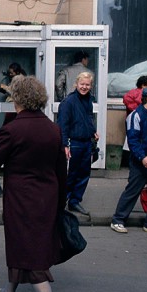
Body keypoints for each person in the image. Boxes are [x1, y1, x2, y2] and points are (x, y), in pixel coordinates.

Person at [0, 76, 67, 292]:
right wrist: (60, 202)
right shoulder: (53, 129)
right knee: (24, 245)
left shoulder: (13, 129)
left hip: (21, 201)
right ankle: (9, 290)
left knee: (30, 252)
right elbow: (62, 171)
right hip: (47, 198)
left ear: (17, 99)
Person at [111, 87, 147, 235]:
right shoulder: (136, 115)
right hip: (140, 161)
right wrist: (142, 157)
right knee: (132, 192)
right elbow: (133, 140)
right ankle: (118, 220)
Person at [58, 71, 99, 216]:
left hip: (86, 142)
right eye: (82, 84)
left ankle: (75, 201)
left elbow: (88, 118)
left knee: (84, 174)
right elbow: (63, 125)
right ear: (76, 84)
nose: (84, 87)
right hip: (74, 143)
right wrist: (65, 145)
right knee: (71, 175)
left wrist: (93, 131)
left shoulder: (89, 100)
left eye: (87, 85)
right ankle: (61, 203)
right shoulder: (68, 102)